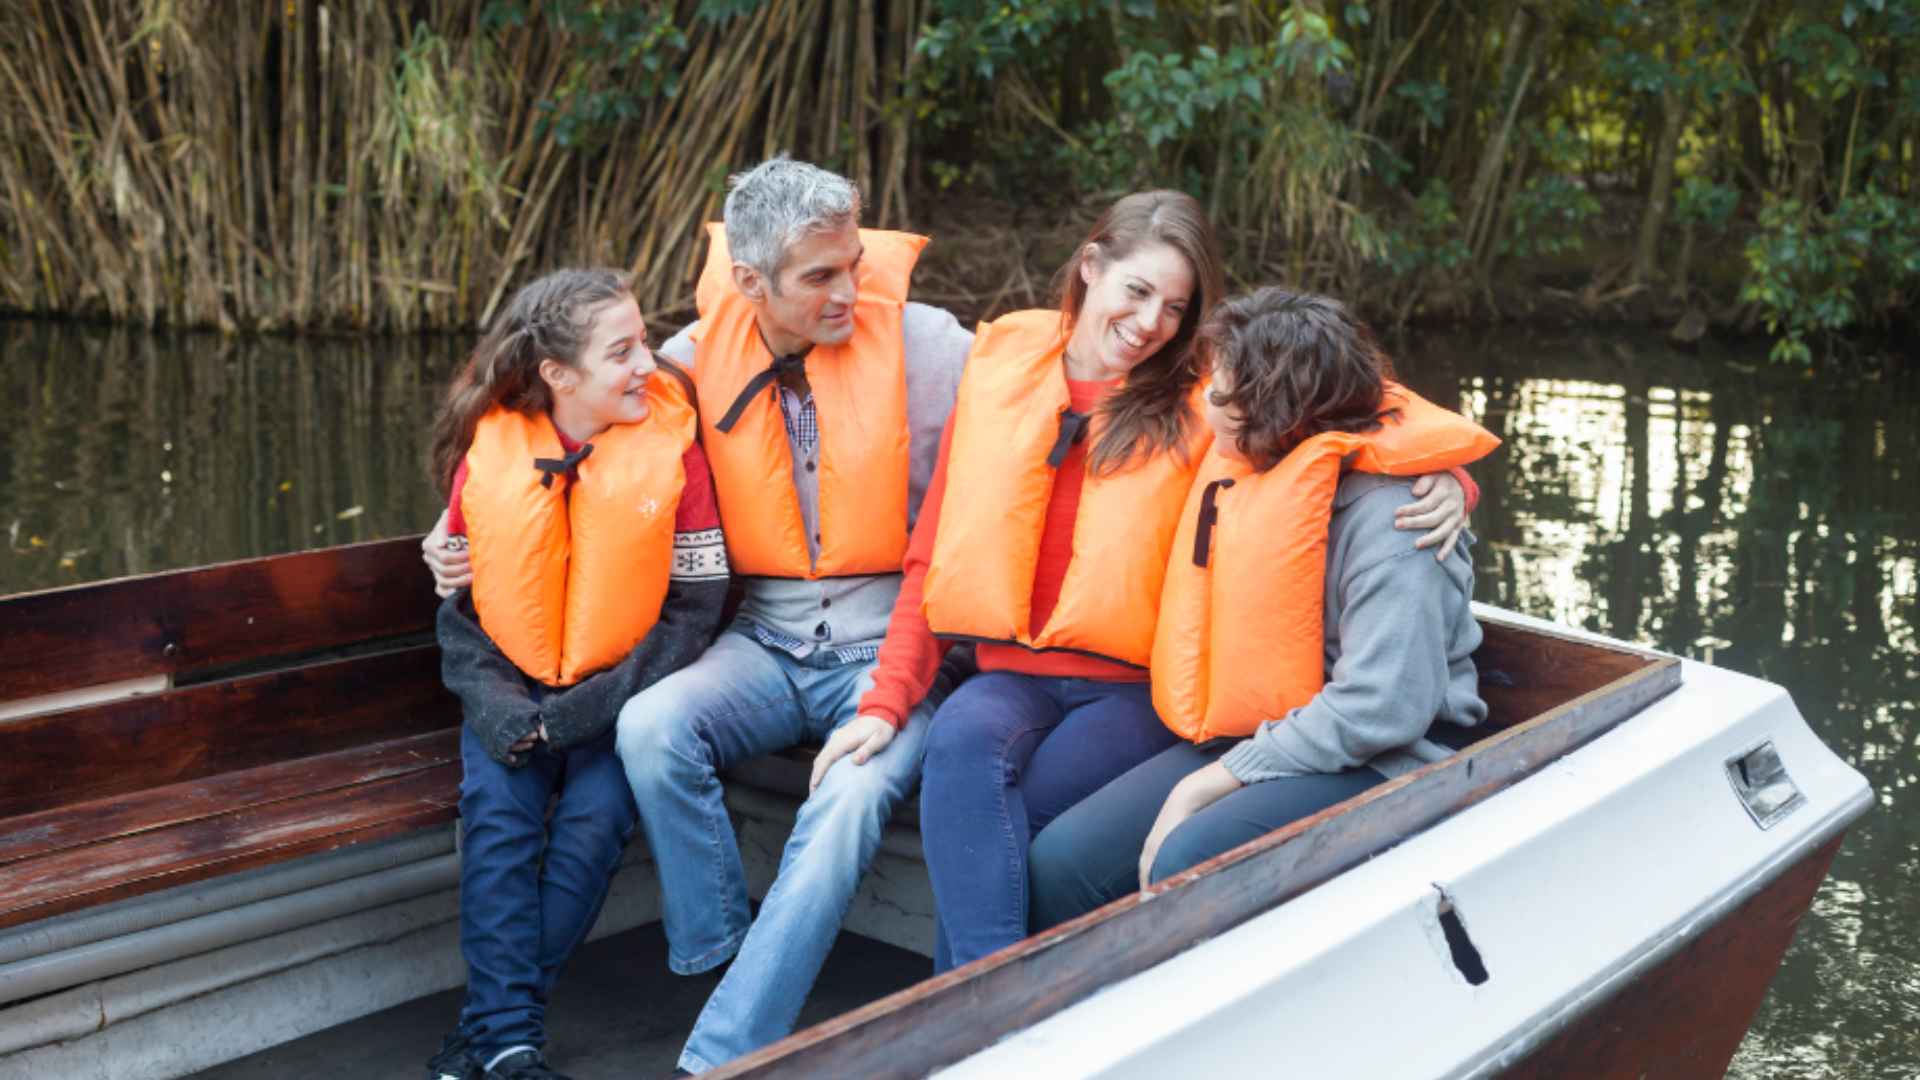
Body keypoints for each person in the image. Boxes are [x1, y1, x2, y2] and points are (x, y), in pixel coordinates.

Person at [423, 158, 975, 1074]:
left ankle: (719, 1051)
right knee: (646, 727)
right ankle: (713, 945)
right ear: (751, 283)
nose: (850, 289)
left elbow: (1051, 412)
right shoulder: (678, 367)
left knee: (844, 802)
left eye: (855, 266)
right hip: (761, 640)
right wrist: (441, 544)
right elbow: (533, 462)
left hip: (890, 645)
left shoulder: (931, 347)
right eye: (821, 275)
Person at [853, 194, 1478, 973]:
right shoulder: (1018, 371)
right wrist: (887, 700)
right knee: (965, 758)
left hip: (1189, 708)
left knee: (1042, 847)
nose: (1156, 327)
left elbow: (1364, 404)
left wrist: (1449, 475)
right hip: (1045, 681)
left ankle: (974, 1014)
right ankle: (981, 1014)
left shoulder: (1235, 416)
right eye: (1138, 292)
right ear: (1091, 268)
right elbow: (931, 557)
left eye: (1175, 307)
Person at [1026, 286, 1496, 931]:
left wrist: (1212, 781)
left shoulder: (1400, 525)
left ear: (1275, 413)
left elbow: (1383, 708)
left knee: (1187, 858)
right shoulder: (1255, 464)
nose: (1206, 412)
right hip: (1271, 727)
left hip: (1385, 755)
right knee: (1061, 862)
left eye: (1220, 398)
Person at [420, 269, 729, 1080]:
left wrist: (583, 715)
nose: (648, 366)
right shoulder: (491, 450)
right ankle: (509, 1042)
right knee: (497, 821)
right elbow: (461, 614)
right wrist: (502, 712)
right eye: (621, 351)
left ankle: (490, 1037)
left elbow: (696, 611)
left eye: (645, 340)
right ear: (558, 375)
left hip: (616, 699)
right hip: (508, 699)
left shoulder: (674, 451)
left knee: (594, 824)